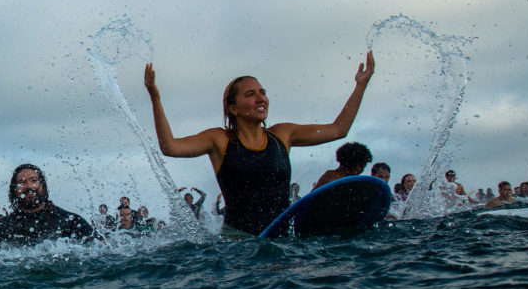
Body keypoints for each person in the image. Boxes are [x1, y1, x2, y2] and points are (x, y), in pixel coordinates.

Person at [144, 52, 375, 236]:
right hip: (238, 242)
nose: (260, 98)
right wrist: (155, 97)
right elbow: (170, 147)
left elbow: (338, 130)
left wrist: (361, 85)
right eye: (250, 94)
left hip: (283, 236)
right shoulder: (219, 140)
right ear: (233, 108)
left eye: (262, 93)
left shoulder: (283, 134)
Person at [0, 164, 97, 245]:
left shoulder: (70, 221)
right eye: (21, 182)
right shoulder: (3, 227)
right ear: (14, 190)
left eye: (34, 180)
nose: (29, 186)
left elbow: (102, 250)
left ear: (42, 185)